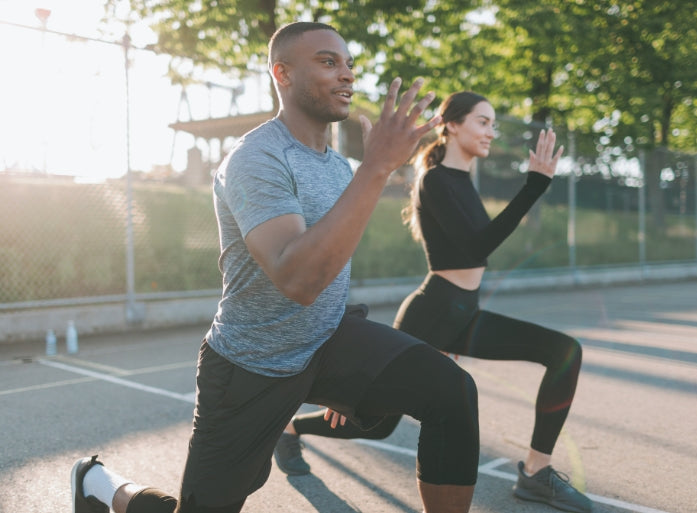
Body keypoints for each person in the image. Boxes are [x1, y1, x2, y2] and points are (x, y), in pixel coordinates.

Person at [71, 22, 482, 513]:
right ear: (282, 73)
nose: (346, 74)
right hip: (251, 364)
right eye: (329, 62)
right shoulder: (255, 158)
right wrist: (377, 168)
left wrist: (351, 372)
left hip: (327, 342)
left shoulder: (335, 166)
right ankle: (100, 485)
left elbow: (331, 265)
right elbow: (298, 279)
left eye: (349, 64)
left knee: (452, 393)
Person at [274, 92, 593, 513]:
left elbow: (478, 247)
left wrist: (534, 185)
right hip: (433, 312)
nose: (490, 132)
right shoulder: (436, 180)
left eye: (493, 124)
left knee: (564, 351)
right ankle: (291, 429)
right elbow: (479, 245)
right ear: (453, 124)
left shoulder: (462, 182)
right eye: (483, 121)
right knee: (376, 424)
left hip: (466, 312)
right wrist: (534, 185)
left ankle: (535, 472)